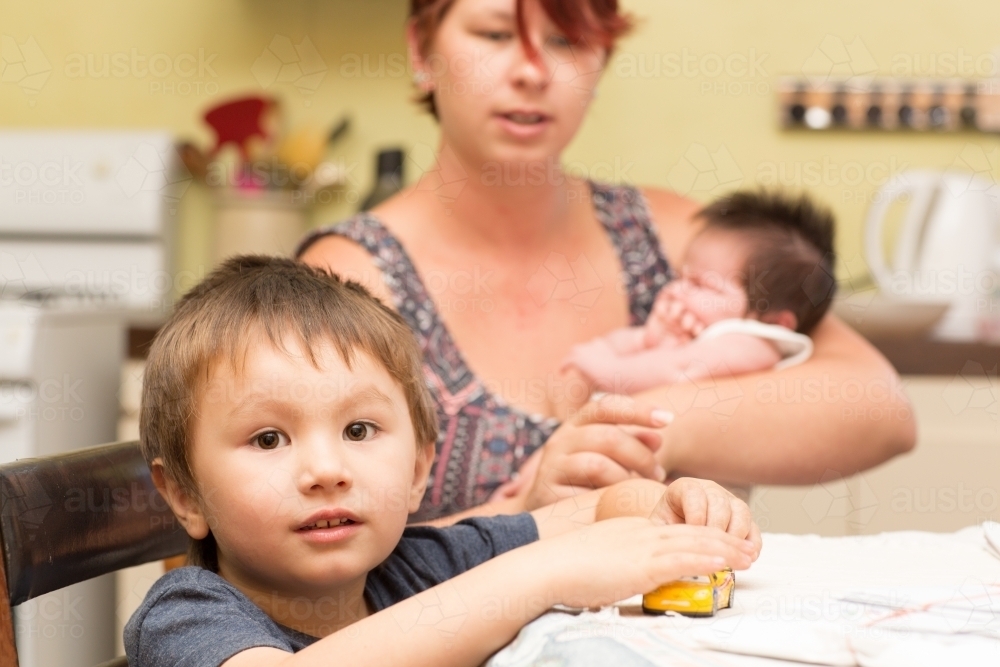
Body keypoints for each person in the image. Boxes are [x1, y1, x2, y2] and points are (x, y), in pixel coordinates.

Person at [298, 0, 915, 522]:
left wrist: (635, 428)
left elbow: (880, 408)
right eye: (493, 34)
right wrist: (518, 516)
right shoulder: (350, 277)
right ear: (420, 50)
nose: (532, 71)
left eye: (566, 39)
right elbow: (311, 565)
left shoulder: (683, 240)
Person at [125, 256, 760, 667]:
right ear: (182, 493)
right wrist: (539, 577)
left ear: (419, 469)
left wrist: (674, 507)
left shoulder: (417, 566)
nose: (325, 469)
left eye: (358, 429)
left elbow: (593, 512)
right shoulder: (187, 615)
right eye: (268, 440)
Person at [557, 190, 836, 412]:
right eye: (682, 276)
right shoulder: (699, 334)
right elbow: (644, 349)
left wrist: (608, 369)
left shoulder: (753, 345)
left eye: (702, 285)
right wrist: (638, 341)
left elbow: (678, 371)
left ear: (773, 320)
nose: (678, 289)